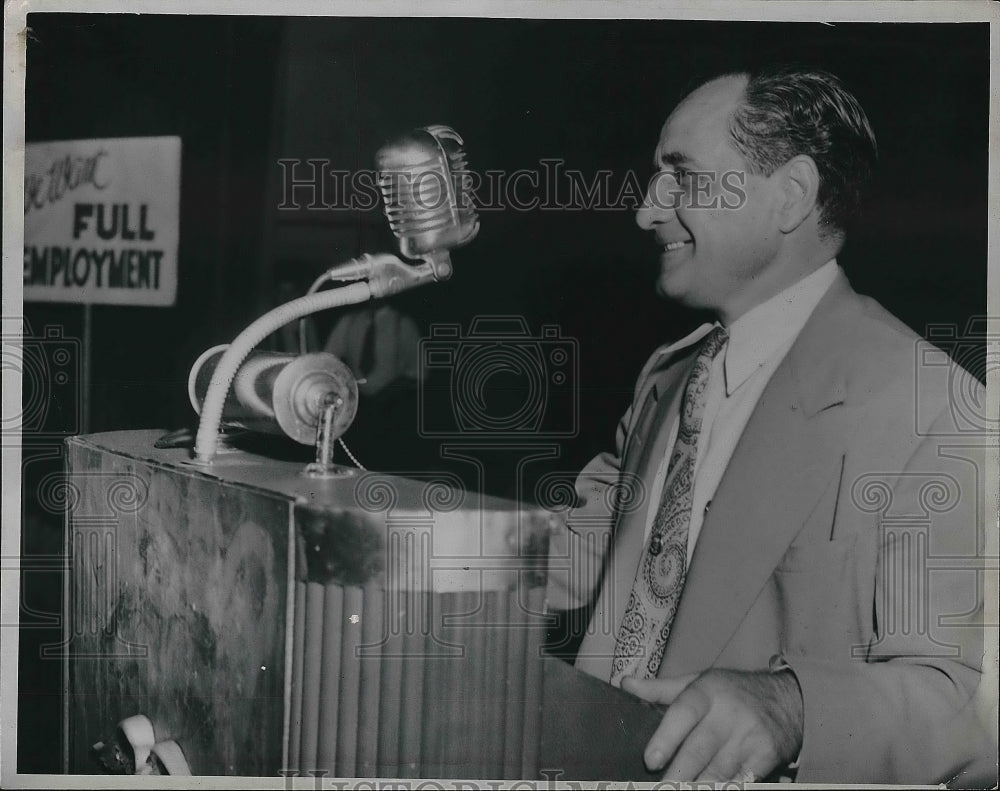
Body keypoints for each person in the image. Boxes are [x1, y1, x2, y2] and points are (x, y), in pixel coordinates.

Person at [544, 66, 994, 785]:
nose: (645, 210)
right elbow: (564, 564)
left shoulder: (933, 403)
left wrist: (793, 707)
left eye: (680, 176)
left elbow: (971, 704)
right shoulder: (668, 377)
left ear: (789, 195)